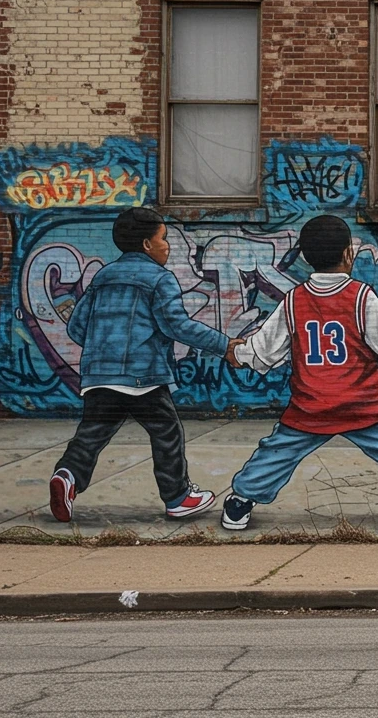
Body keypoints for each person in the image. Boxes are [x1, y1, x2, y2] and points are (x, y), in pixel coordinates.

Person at [220, 215, 378, 534]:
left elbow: (266, 350)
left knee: (276, 453)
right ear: (348, 254)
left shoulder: (294, 301)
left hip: (311, 406)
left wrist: (239, 354)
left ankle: (238, 504)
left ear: (304, 258)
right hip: (363, 406)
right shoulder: (361, 297)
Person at [49, 207, 236, 522]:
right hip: (143, 375)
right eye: (163, 238)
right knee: (166, 431)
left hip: (99, 375)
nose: (168, 245)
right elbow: (178, 326)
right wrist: (224, 345)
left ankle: (67, 475)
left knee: (93, 431)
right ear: (148, 244)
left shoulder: (102, 277)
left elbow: (75, 327)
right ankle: (178, 497)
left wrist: (103, 347)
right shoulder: (160, 279)